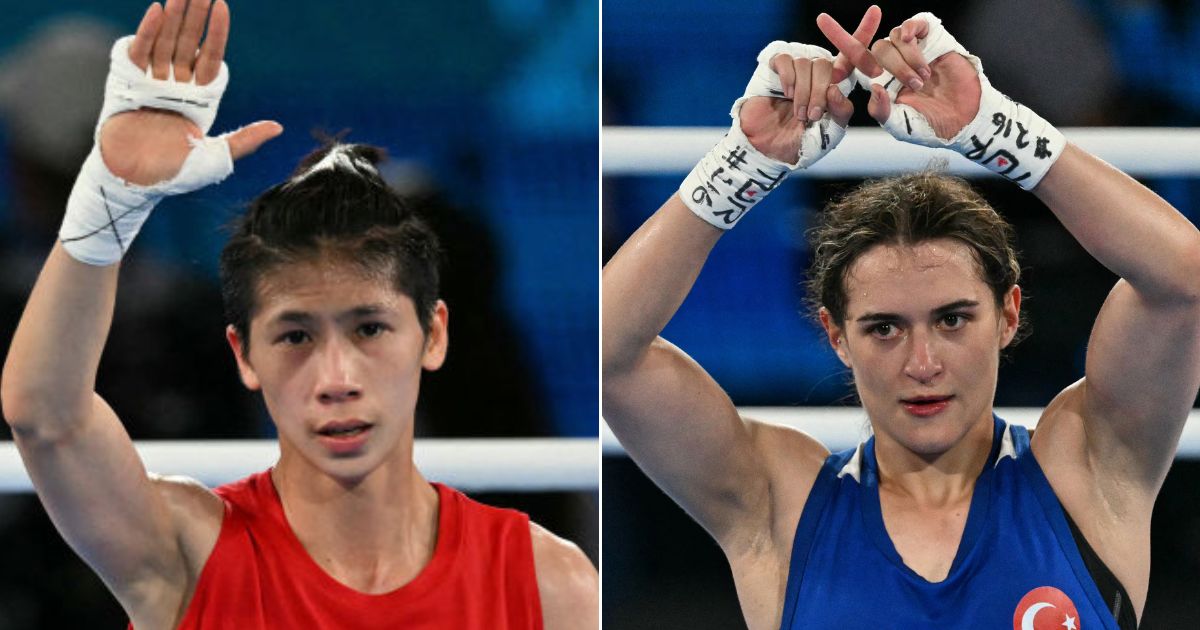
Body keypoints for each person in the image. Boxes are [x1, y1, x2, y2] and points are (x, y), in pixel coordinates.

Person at [0, 1, 598, 628]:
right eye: (295, 336)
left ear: (433, 334)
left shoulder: (547, 582)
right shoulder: (186, 552)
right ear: (243, 355)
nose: (335, 378)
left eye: (369, 328)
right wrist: (110, 198)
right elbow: (47, 418)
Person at [603, 5, 1199, 629]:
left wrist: (996, 127)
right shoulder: (778, 506)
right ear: (836, 335)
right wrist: (744, 164)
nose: (923, 364)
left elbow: (1183, 281)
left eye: (952, 320)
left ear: (1008, 314)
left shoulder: (1087, 471)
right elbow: (607, 351)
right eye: (884, 328)